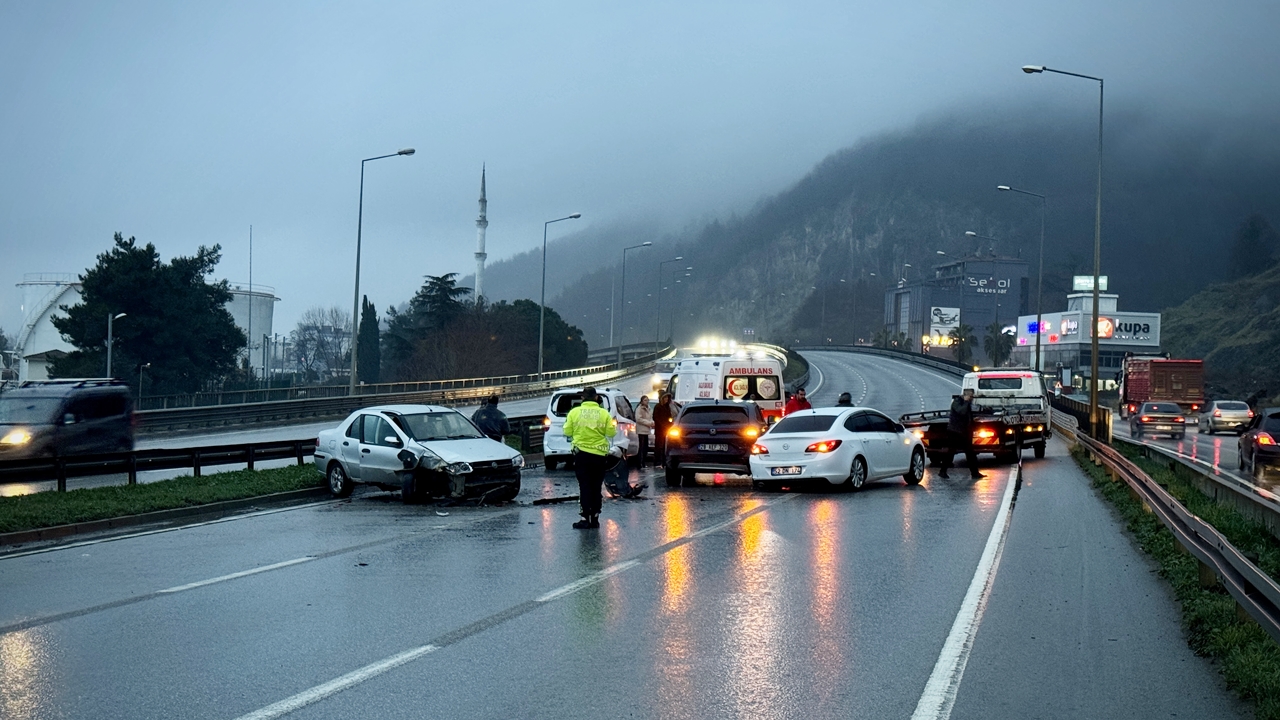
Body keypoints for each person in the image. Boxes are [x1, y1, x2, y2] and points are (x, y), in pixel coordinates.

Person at [563, 387, 617, 529]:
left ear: (582, 398)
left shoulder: (574, 412)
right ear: (596, 398)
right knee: (596, 486)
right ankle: (595, 517)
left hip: (581, 454)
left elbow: (567, 431)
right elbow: (611, 433)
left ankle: (585, 517)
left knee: (584, 486)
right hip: (599, 455)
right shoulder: (604, 413)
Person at [940, 388, 985, 479]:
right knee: (950, 453)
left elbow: (966, 415)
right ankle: (942, 471)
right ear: (966, 395)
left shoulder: (966, 403)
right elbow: (961, 412)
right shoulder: (957, 402)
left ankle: (975, 473)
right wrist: (966, 402)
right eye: (971, 396)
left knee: (970, 453)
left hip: (964, 432)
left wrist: (972, 420)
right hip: (954, 432)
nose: (972, 398)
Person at [652, 392, 677, 465]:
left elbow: (669, 417)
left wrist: (670, 423)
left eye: (667, 398)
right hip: (660, 430)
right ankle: (657, 461)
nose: (666, 399)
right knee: (659, 446)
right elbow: (655, 418)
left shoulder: (667, 407)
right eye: (665, 398)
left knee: (665, 446)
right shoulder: (658, 407)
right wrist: (662, 425)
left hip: (666, 429)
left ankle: (664, 461)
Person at [635, 395, 655, 468]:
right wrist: (649, 423)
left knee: (645, 447)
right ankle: (639, 463)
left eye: (647, 400)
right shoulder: (639, 409)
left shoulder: (649, 408)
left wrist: (652, 422)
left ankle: (643, 463)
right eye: (645, 400)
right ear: (642, 401)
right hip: (641, 430)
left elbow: (651, 417)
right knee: (642, 447)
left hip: (646, 430)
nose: (647, 401)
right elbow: (638, 419)